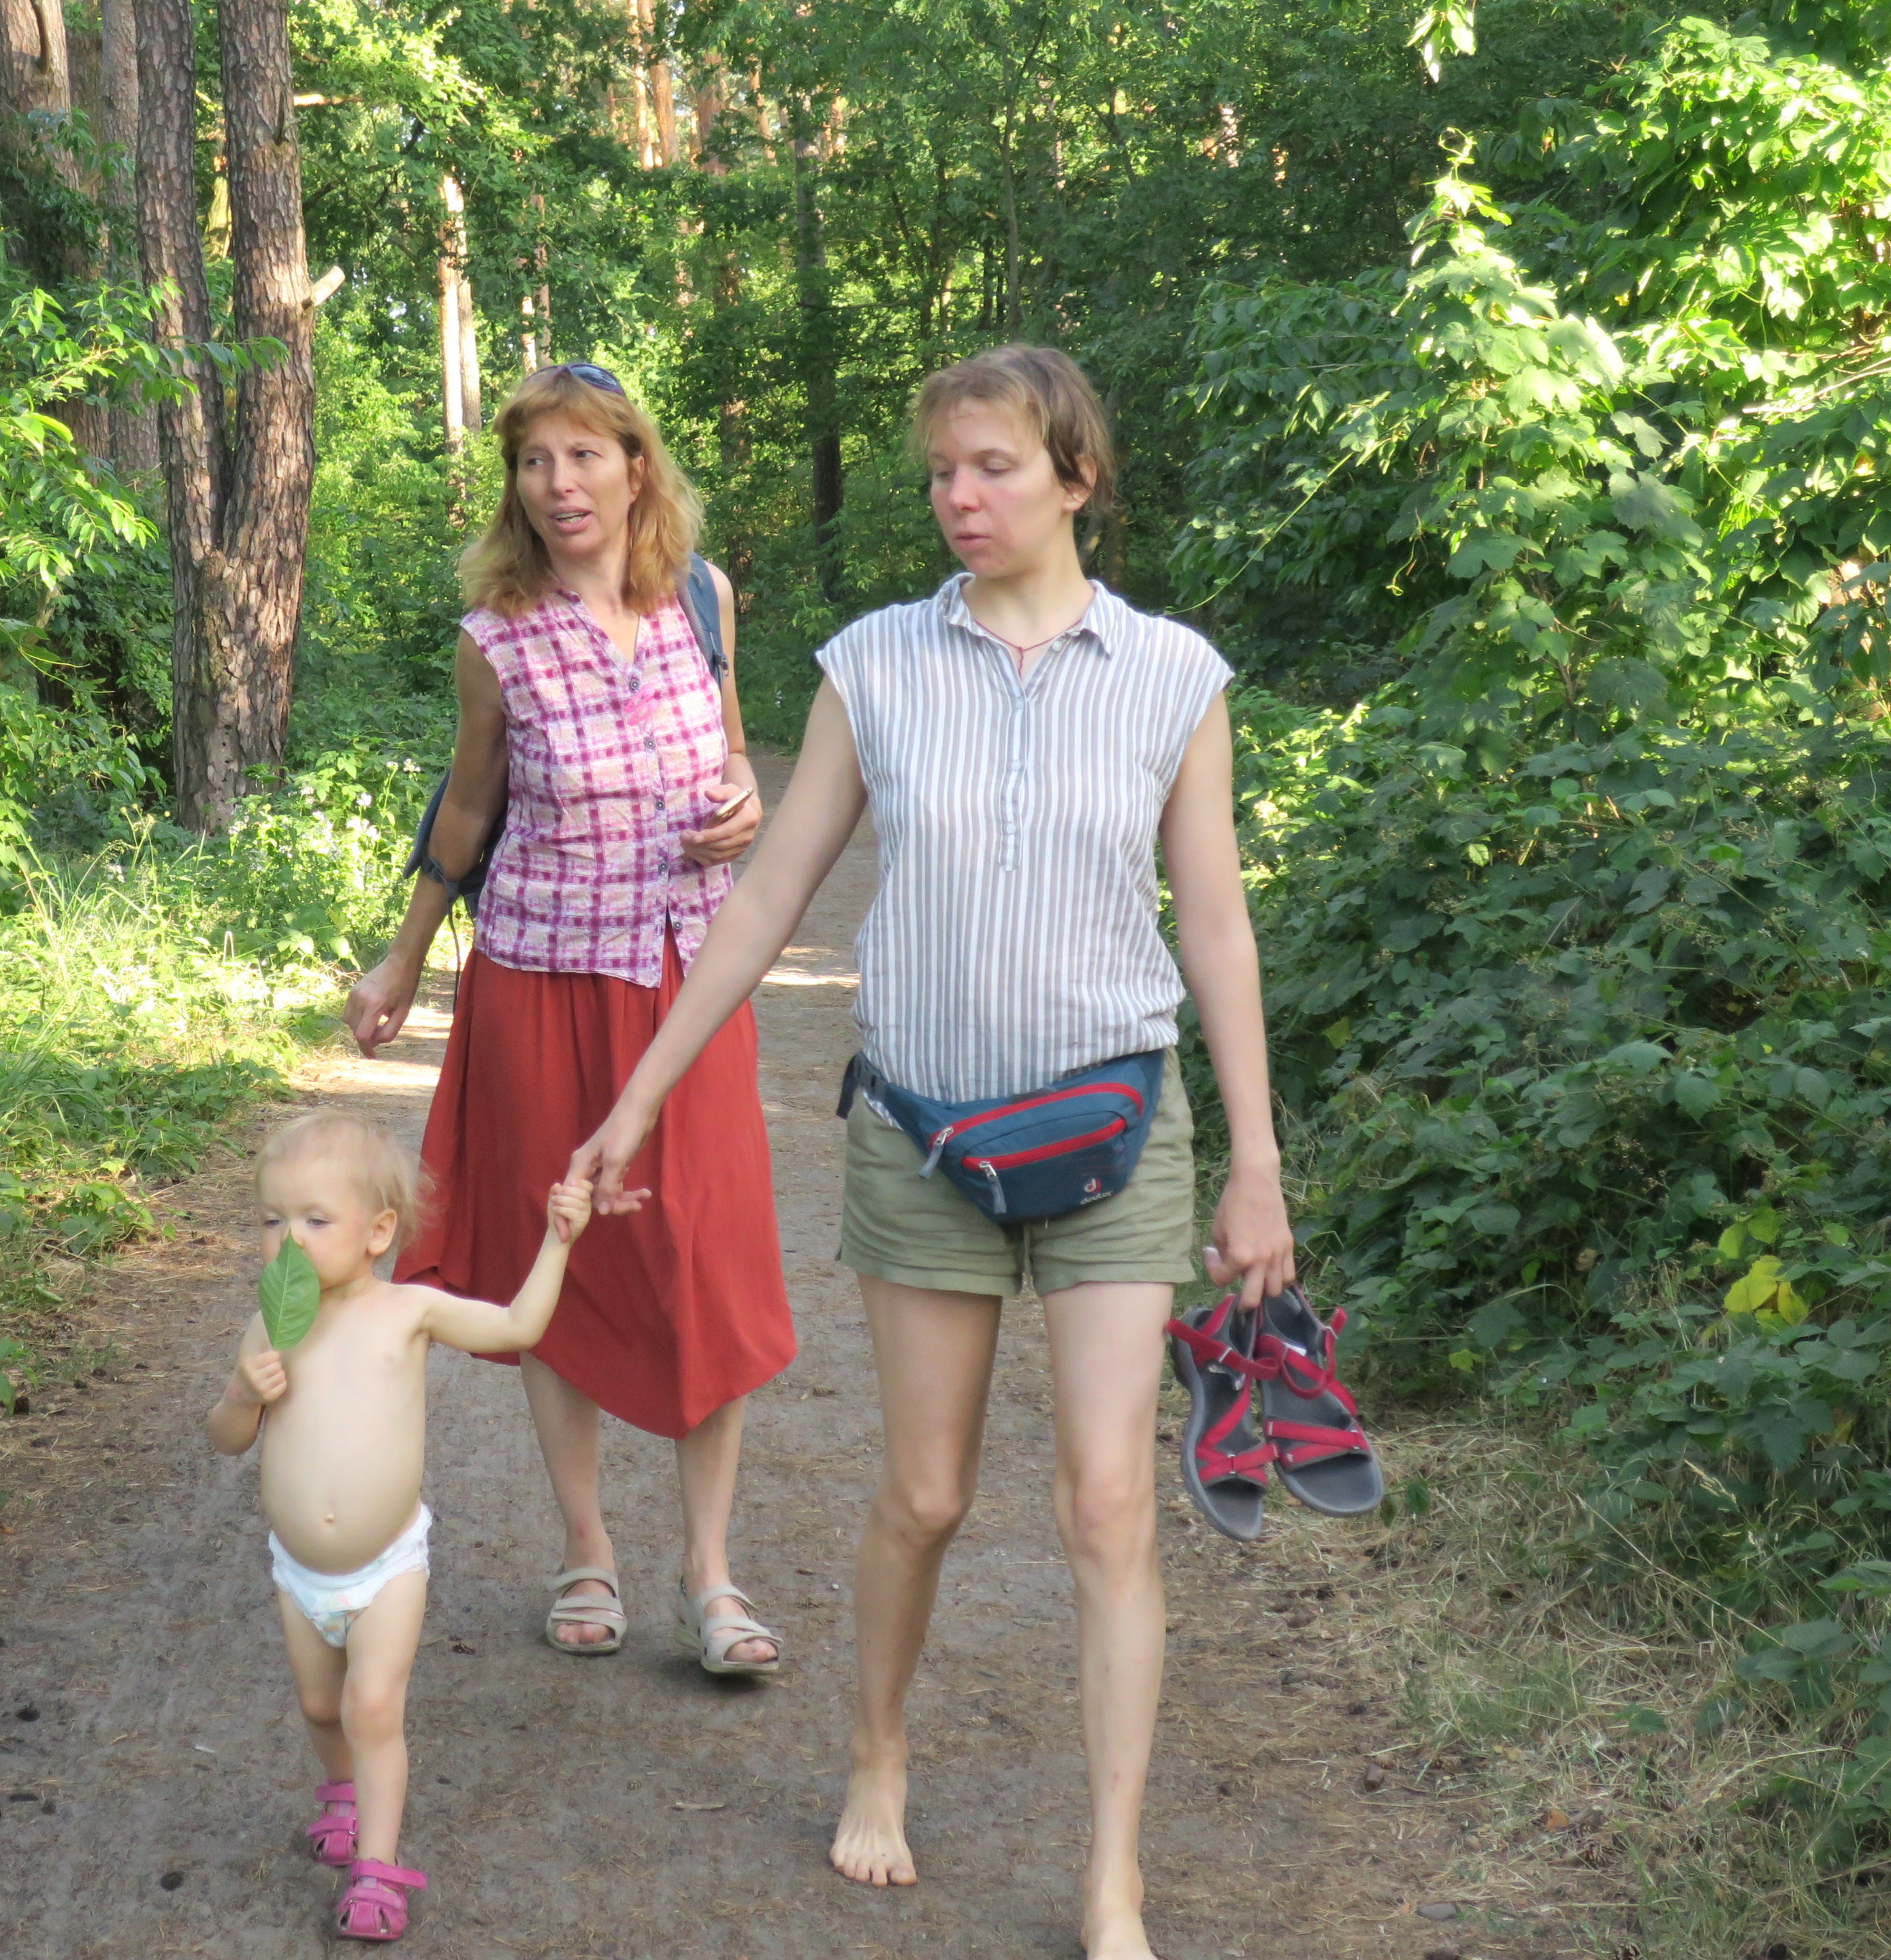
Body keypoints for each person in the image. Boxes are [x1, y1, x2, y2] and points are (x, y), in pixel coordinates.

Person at [568, 345, 1296, 1960]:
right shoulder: (874, 664)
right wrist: (637, 1099)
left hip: (1120, 1126)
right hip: (919, 1132)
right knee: (923, 1493)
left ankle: (1111, 1877)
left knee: (1108, 1503)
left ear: (1075, 478)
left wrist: (1254, 1159)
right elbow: (768, 893)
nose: (959, 498)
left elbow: (1216, 924)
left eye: (993, 468)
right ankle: (878, 1753)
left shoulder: (1173, 676)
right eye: (941, 474)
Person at [344, 361, 793, 1673]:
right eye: (536, 462)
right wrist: (402, 960)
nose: (560, 484)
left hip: (687, 980)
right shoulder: (496, 636)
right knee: (567, 1246)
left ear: (636, 467)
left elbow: (732, 754)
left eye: (586, 455)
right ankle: (587, 1548)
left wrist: (744, 804)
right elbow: (467, 808)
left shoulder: (702, 597)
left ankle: (710, 1572)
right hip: (539, 978)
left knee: (703, 1254)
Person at [208, 1109, 594, 1942]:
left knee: (373, 1705)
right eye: (271, 1220)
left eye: (316, 1220)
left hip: (386, 1567)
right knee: (321, 1706)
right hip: (298, 1572)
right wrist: (242, 1395)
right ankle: (343, 1794)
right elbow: (228, 1438)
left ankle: (378, 1869)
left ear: (379, 1232)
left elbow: (517, 1327)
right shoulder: (271, 1326)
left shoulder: (409, 1313)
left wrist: (557, 1241)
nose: (288, 1240)